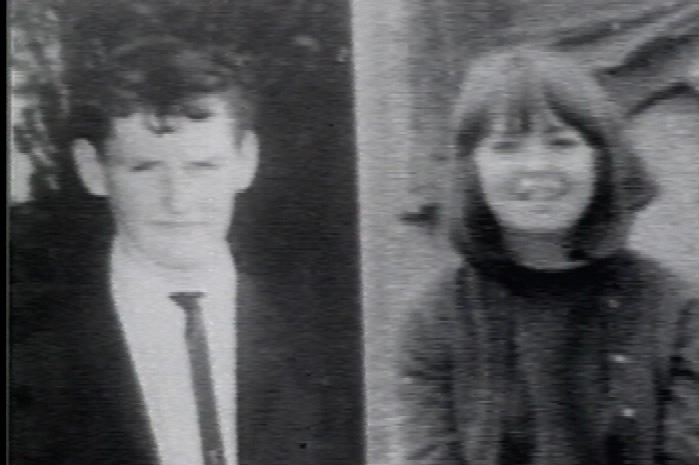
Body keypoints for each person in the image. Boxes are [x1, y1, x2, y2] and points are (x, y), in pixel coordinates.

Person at [10, 36, 330, 465]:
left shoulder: (329, 334)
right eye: (144, 168)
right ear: (92, 170)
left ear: (246, 160)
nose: (178, 199)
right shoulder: (29, 351)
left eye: (203, 167)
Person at [398, 45, 698, 465]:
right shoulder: (436, 316)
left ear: (601, 160)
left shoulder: (678, 310)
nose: (536, 167)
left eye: (561, 142)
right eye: (506, 146)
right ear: (472, 168)